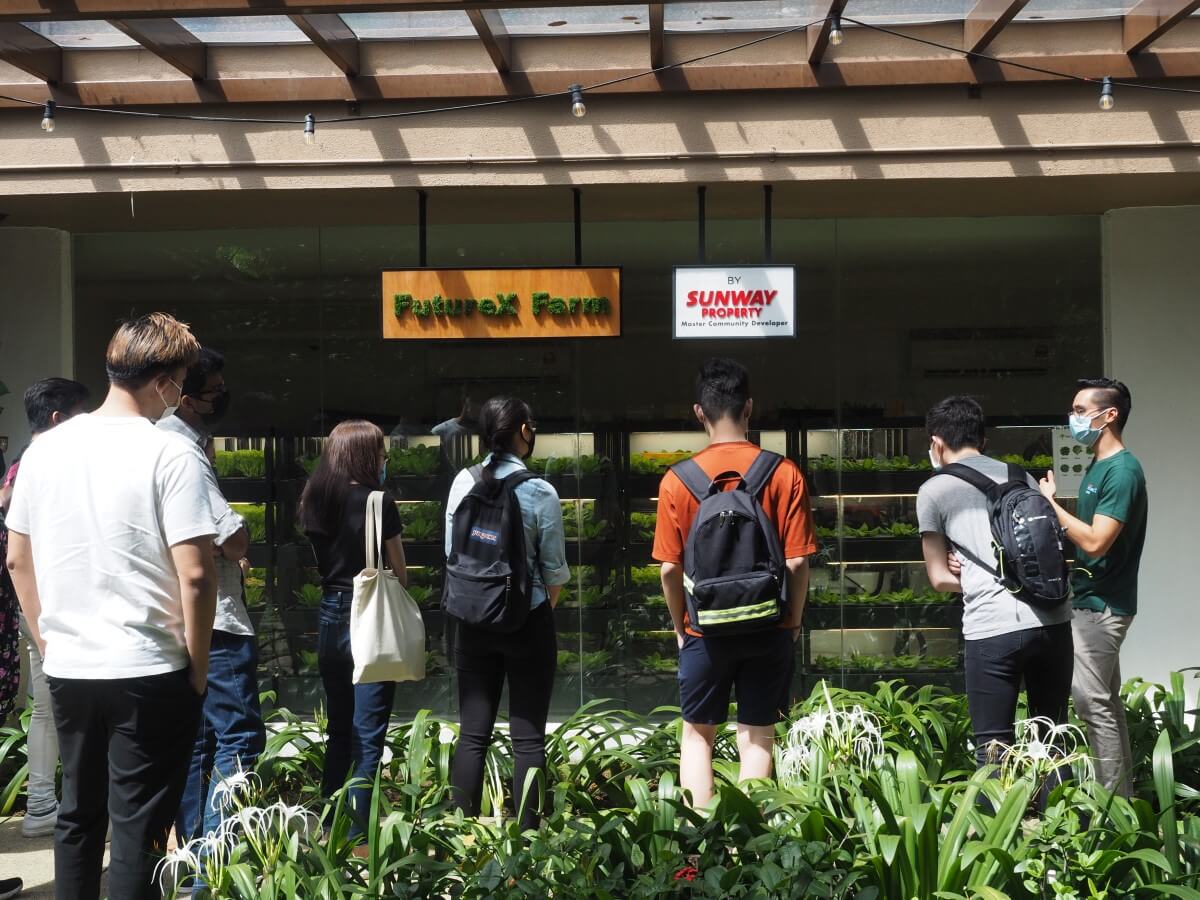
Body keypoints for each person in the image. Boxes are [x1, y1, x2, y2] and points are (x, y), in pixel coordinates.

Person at [4, 312, 216, 900]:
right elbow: (196, 575)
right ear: (165, 381)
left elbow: (18, 559)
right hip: (150, 665)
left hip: (71, 665)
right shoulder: (169, 452)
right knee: (138, 829)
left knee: (78, 816)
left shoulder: (44, 450)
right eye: (183, 380)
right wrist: (197, 667)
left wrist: (49, 641)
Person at [652, 359, 815, 808]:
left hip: (705, 628)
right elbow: (798, 562)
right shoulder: (784, 474)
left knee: (698, 735)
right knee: (758, 735)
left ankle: (700, 850)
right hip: (768, 626)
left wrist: (680, 625)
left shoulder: (676, 481)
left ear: (699, 413)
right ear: (749, 408)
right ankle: (751, 848)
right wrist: (792, 622)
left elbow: (668, 570)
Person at [918, 396, 1074, 781]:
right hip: (1053, 619)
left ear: (937, 443)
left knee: (993, 748)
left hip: (992, 629)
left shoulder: (934, 490)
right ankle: (1063, 832)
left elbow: (938, 578)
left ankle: (998, 834)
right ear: (983, 439)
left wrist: (970, 574)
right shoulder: (1021, 476)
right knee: (1052, 742)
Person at [444, 397, 569, 829]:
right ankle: (530, 844)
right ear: (523, 432)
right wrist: (527, 611)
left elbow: (451, 553)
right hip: (526, 621)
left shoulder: (463, 482)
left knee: (473, 734)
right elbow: (554, 574)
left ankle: (459, 838)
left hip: (471, 620)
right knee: (528, 737)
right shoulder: (540, 491)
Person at [157, 348, 265, 845]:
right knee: (238, 734)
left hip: (175, 616)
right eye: (215, 390)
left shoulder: (157, 442)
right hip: (218, 619)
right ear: (186, 394)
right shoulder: (183, 451)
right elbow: (230, 538)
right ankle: (219, 862)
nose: (222, 398)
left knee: (196, 741)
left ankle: (197, 852)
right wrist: (239, 536)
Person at [299, 420, 407, 841]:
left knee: (339, 730)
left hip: (330, 615)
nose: (385, 460)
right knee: (368, 734)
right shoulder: (379, 502)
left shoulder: (314, 499)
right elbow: (398, 571)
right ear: (366, 455)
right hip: (371, 620)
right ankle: (360, 839)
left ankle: (330, 824)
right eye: (381, 452)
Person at [1039, 378, 1147, 797]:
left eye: (1082, 410)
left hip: (1102, 604)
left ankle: (1113, 808)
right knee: (1105, 701)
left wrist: (1050, 504)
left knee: (1090, 702)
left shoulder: (1122, 471)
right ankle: (1124, 801)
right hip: (1090, 600)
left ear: (1110, 415)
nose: (1075, 418)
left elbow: (1097, 540)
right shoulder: (1099, 466)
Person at [0, 378, 90, 839]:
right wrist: (40, 630)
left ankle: (43, 805)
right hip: (50, 610)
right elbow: (17, 556)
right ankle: (49, 807)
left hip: (35, 609)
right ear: (58, 420)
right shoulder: (42, 465)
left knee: (48, 711)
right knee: (61, 711)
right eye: (81, 414)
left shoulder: (19, 465)